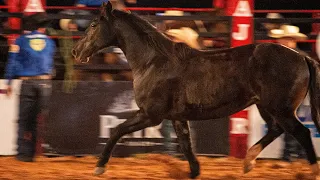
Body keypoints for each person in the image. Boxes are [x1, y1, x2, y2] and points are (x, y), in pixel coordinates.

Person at [4, 12, 56, 162]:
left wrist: (8, 82)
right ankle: (33, 152)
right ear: (43, 27)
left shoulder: (20, 41)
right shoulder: (50, 41)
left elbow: (12, 62)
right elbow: (50, 62)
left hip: (28, 82)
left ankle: (23, 154)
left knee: (24, 119)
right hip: (45, 83)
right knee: (37, 119)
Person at [268, 24, 309, 162]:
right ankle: (296, 153)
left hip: (294, 96)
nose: (283, 42)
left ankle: (290, 154)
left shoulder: (299, 57)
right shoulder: (282, 57)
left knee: (289, 124)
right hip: (286, 97)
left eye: (286, 39)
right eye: (282, 39)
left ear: (293, 40)